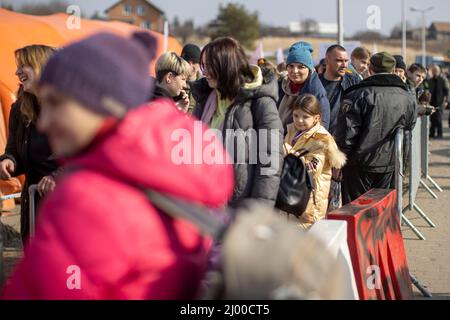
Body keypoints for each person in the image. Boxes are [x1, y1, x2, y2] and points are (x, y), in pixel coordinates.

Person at [2, 32, 234, 300]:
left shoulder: (88, 200)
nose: (45, 122)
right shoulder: (173, 174)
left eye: (57, 104)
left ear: (96, 106)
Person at [192, 37, 283, 208]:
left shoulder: (260, 102)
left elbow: (271, 160)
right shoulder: (204, 100)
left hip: (240, 205)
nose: (205, 72)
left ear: (227, 66)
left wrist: (258, 211)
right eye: (203, 66)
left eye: (210, 66)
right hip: (203, 203)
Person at [336, 52, 418, 204]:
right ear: (393, 70)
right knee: (382, 212)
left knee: (357, 212)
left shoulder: (357, 94)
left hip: (358, 165)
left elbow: (346, 134)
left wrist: (338, 162)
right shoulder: (406, 96)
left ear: (370, 70)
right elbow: (410, 125)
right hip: (390, 163)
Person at [0, 45, 59, 243]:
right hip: (33, 204)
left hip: (66, 205)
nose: (17, 72)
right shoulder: (19, 109)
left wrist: (57, 176)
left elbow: (89, 154)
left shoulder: (70, 107)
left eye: (23, 65)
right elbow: (14, 152)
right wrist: (8, 162)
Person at [283, 94, 346, 229]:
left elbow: (311, 170)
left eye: (305, 117)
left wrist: (287, 151)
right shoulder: (291, 132)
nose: (299, 120)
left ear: (316, 118)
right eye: (296, 116)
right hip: (292, 200)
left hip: (309, 205)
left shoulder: (321, 139)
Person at [278, 41, 330, 132]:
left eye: (301, 67)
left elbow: (322, 128)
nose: (295, 71)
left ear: (309, 69)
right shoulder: (282, 86)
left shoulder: (316, 93)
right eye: (291, 66)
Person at [319, 45, 360, 136]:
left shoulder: (354, 82)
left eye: (346, 61)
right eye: (339, 60)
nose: (344, 65)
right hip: (320, 139)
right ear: (327, 61)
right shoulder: (315, 84)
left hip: (344, 141)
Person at [425, 64, 449, 137]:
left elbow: (447, 90)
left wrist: (446, 101)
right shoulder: (431, 80)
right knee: (432, 118)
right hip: (432, 101)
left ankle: (439, 133)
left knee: (438, 118)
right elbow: (427, 88)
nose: (435, 72)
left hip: (440, 101)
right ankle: (432, 133)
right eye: (434, 71)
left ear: (439, 71)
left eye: (436, 71)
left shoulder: (443, 79)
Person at [181, 43, 202, 114]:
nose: (191, 65)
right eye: (188, 62)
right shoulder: (176, 82)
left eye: (194, 62)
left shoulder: (205, 85)